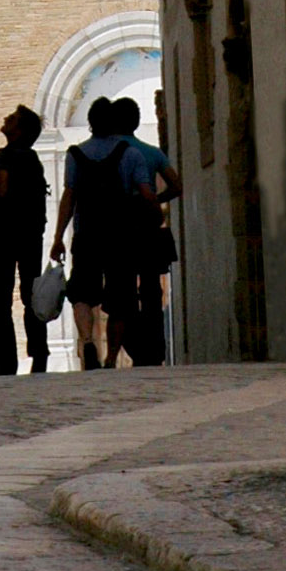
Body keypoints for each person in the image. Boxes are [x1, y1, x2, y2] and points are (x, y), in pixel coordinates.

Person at [51, 96, 138, 369]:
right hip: (118, 237)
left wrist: (58, 237)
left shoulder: (75, 155)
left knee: (80, 293)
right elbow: (140, 193)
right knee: (120, 299)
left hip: (86, 235)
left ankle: (88, 341)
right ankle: (111, 357)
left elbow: (69, 197)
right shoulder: (129, 154)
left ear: (89, 122)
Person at [111, 94, 182, 367]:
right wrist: (155, 200)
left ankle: (135, 349)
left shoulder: (111, 153)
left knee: (124, 290)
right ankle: (155, 348)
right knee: (152, 289)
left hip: (120, 227)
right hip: (148, 226)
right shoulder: (152, 152)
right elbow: (176, 186)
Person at [0, 105, 49, 376]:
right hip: (31, 232)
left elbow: (2, 190)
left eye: (11, 119)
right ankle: (40, 354)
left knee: (1, 300)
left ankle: (5, 363)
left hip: (6, 232)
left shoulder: (3, 156)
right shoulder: (33, 159)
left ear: (18, 130)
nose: (5, 119)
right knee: (31, 295)